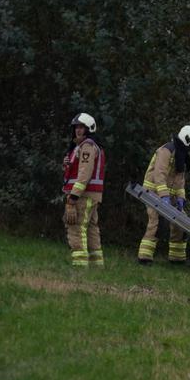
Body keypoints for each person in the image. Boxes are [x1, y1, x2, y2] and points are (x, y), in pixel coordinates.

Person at [137, 126, 190, 265]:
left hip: (168, 196)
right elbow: (159, 174)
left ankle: (177, 258)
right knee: (156, 222)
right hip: (153, 192)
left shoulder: (181, 155)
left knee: (182, 223)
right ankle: (144, 257)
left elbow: (180, 180)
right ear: (186, 141)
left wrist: (180, 198)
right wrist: (164, 196)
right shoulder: (166, 150)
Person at [62, 113, 105, 267]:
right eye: (76, 127)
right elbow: (76, 171)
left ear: (89, 129)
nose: (78, 131)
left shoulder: (87, 146)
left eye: (81, 127)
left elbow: (84, 174)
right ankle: (96, 265)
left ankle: (80, 267)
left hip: (83, 195)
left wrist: (73, 197)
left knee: (76, 226)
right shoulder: (86, 146)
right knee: (92, 229)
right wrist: (67, 163)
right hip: (92, 195)